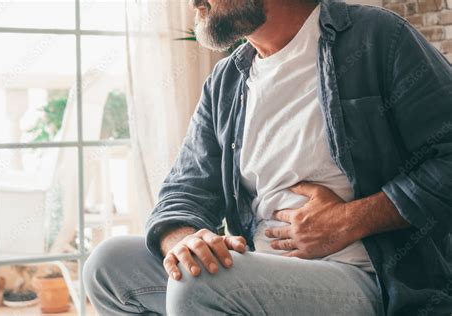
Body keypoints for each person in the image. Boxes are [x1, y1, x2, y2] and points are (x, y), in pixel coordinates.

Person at [83, 0, 452, 315]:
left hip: (369, 278)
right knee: (109, 264)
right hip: (259, 270)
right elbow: (185, 188)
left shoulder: (377, 38)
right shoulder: (226, 82)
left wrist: (350, 220)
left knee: (200, 286)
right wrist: (183, 240)